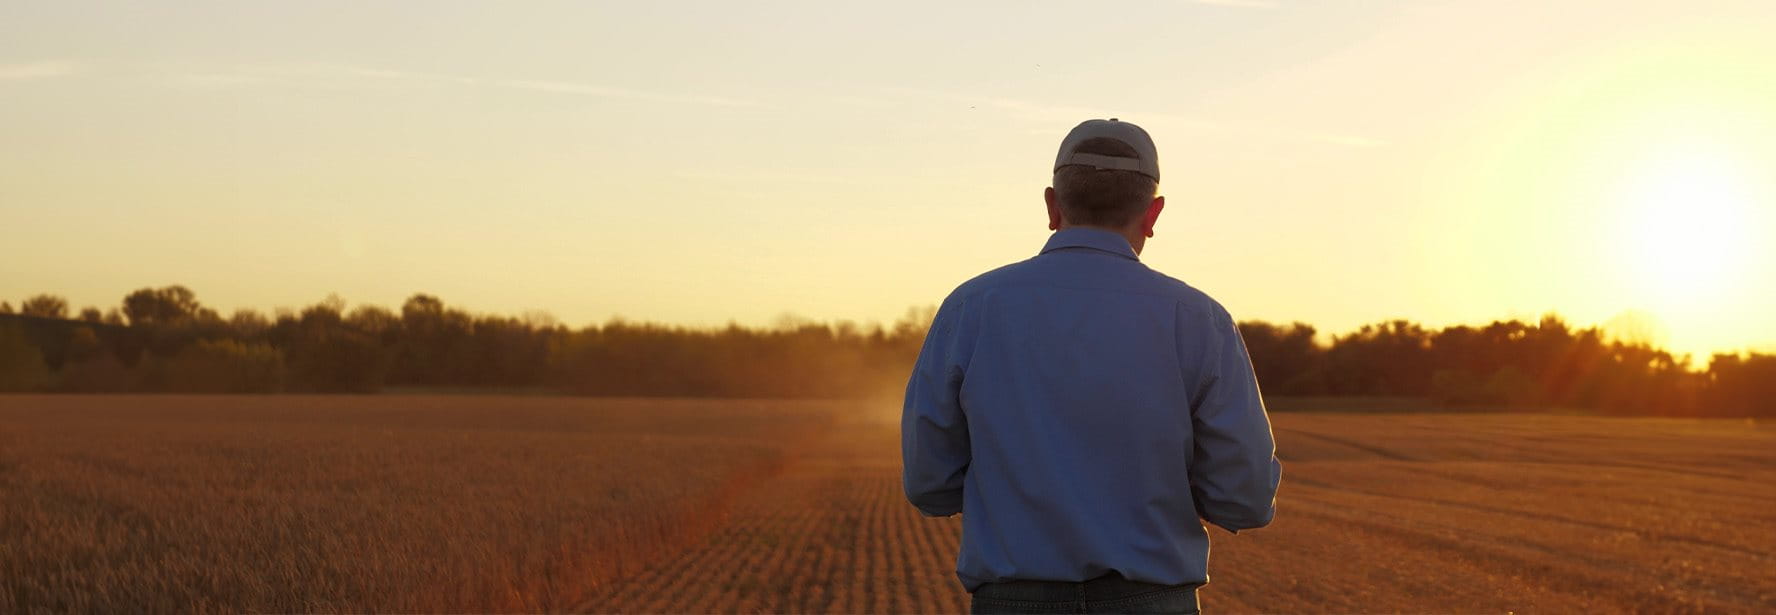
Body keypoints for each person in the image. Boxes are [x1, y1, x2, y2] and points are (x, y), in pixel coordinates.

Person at [900, 118, 1283, 614]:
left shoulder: (972, 307)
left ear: (1052, 205)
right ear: (1152, 214)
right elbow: (1245, 499)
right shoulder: (1198, 319)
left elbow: (930, 484)